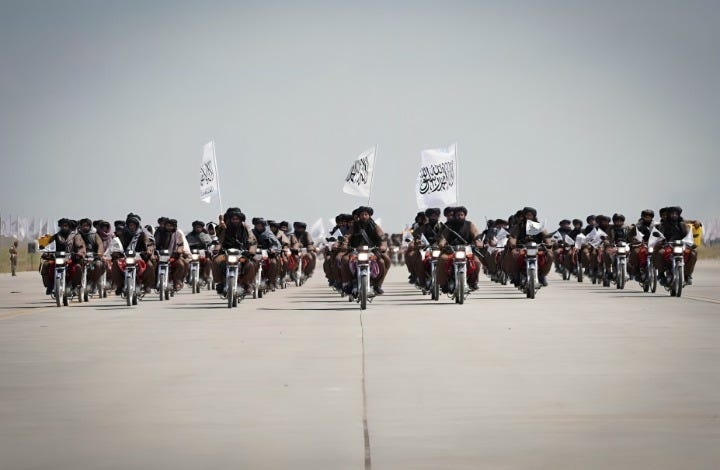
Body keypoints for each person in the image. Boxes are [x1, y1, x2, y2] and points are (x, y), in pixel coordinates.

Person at [340, 206, 390, 295]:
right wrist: (344, 244)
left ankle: (377, 285)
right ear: (359, 216)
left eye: (366, 214)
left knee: (382, 261)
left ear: (369, 215)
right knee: (344, 259)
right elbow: (347, 236)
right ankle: (348, 283)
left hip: (372, 250)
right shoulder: (354, 226)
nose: (364, 216)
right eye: (362, 214)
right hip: (355, 250)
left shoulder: (375, 226)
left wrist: (383, 246)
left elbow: (382, 237)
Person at [505, 207, 554, 287]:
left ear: (534, 216)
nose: (528, 217)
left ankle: (542, 275)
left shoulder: (539, 226)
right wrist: (513, 243)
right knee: (513, 254)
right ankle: (516, 274)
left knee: (550, 255)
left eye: (530, 215)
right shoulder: (519, 226)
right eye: (527, 215)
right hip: (522, 247)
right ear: (524, 215)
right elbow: (513, 237)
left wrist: (548, 242)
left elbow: (546, 236)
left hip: (537, 248)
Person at [212, 207, 257, 296]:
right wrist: (220, 222)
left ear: (240, 219)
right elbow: (218, 237)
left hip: (241, 253)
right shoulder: (224, 226)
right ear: (229, 218)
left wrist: (251, 252)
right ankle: (220, 282)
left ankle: (247, 284)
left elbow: (252, 240)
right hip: (225, 252)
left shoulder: (245, 227)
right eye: (233, 218)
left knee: (251, 264)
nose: (235, 220)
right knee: (216, 261)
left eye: (237, 218)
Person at [437, 206, 482, 291]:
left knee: (477, 262)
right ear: (454, 216)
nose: (460, 216)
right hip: (451, 250)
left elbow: (475, 233)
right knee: (442, 259)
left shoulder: (469, 224)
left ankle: (473, 282)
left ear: (465, 215)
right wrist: (442, 243)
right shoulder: (449, 226)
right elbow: (444, 237)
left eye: (462, 215)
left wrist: (478, 241)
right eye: (458, 215)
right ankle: (444, 283)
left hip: (467, 249)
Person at [111, 213, 156, 295]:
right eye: (130, 225)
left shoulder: (143, 234)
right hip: (126, 256)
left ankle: (147, 286)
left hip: (140, 256)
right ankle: (120, 285)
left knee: (149, 265)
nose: (132, 227)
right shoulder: (123, 234)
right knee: (115, 264)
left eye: (133, 225)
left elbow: (148, 244)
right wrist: (116, 253)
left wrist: (148, 251)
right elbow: (118, 245)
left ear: (137, 225)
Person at [653, 206, 697, 285]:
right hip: (668, 246)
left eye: (676, 214)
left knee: (693, 253)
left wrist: (691, 243)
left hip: (681, 247)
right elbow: (660, 236)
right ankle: (661, 274)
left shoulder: (683, 225)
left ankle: (688, 275)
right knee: (660, 253)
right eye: (672, 213)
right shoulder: (663, 225)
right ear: (669, 214)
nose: (674, 215)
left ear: (678, 215)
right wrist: (661, 242)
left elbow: (688, 236)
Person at [40, 218, 83, 295]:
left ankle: (75, 286)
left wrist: (79, 253)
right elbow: (44, 241)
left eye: (66, 226)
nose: (64, 227)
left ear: (69, 226)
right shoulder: (56, 235)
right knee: (46, 265)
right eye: (62, 226)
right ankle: (49, 286)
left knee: (78, 267)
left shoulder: (75, 236)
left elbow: (80, 246)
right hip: (58, 258)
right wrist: (42, 245)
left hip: (70, 258)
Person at [155, 218, 188, 291]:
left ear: (174, 226)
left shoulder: (178, 234)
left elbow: (180, 244)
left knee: (182, 264)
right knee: (152, 264)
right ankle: (153, 282)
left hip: (174, 255)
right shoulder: (160, 232)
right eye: (167, 225)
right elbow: (155, 243)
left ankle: (177, 281)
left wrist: (179, 250)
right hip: (161, 255)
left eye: (171, 226)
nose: (169, 227)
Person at [75, 218, 105, 291]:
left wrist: (99, 254)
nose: (85, 227)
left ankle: (94, 282)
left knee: (98, 265)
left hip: (94, 257)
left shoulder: (95, 235)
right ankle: (75, 285)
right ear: (80, 226)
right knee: (77, 267)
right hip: (82, 257)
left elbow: (100, 244)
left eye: (87, 225)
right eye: (83, 225)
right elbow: (77, 244)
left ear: (90, 226)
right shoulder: (78, 235)